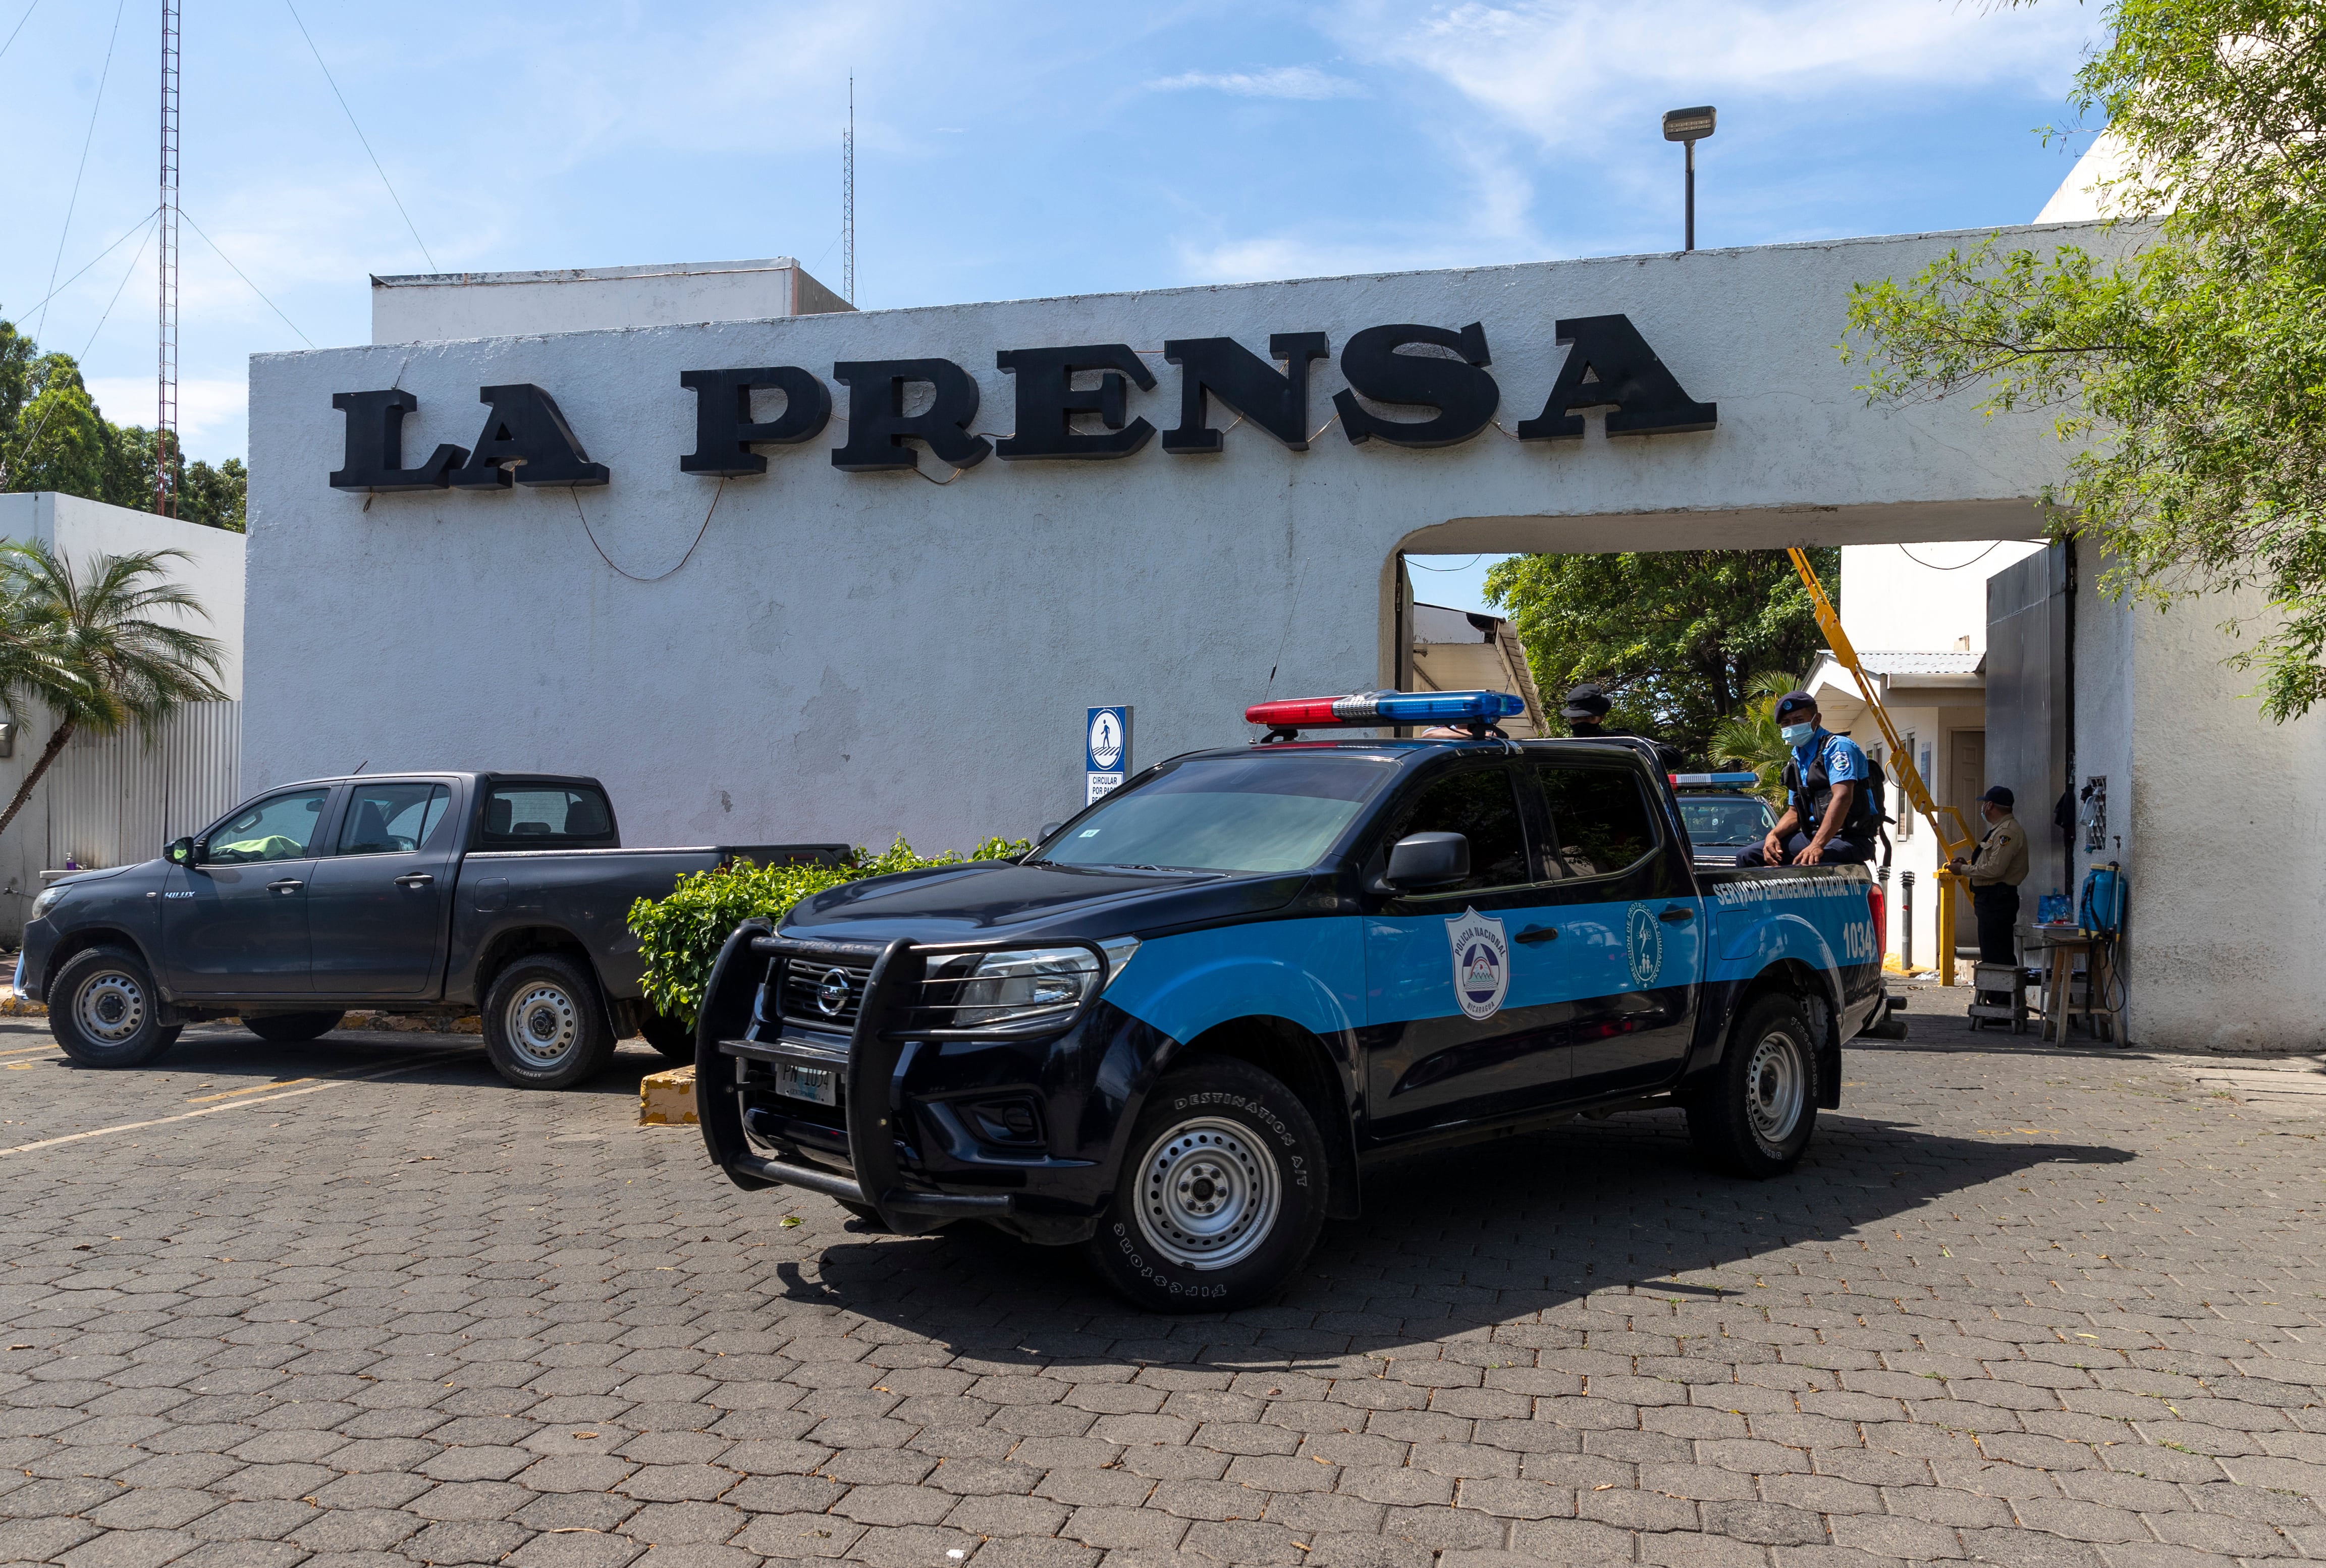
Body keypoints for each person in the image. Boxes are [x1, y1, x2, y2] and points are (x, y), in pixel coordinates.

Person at [1736, 691, 1875, 866]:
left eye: (1799, 720)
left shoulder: (1838, 748)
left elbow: (1843, 797)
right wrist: (1773, 835)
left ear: (1817, 720)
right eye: (1786, 723)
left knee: (1808, 862)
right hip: (1810, 836)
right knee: (1748, 856)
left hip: (1849, 837)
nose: (1792, 726)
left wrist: (1817, 845)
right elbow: (1794, 813)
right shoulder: (1797, 758)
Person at [1951, 785, 2029, 964]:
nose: (1983, 808)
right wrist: (1969, 865)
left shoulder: (2007, 832)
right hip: (1991, 901)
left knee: (1997, 956)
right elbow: (1991, 863)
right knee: (1992, 954)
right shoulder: (1999, 829)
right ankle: (1995, 993)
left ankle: (1999, 993)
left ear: (1990, 806)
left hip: (1997, 901)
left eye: (1984, 804)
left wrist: (1963, 870)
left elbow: (1995, 869)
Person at [1560, 682, 1683, 768]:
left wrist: (1638, 753)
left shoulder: (1624, 740)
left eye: (1588, 718)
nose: (1582, 724)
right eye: (1576, 719)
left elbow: (1674, 756)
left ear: (1601, 718)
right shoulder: (1559, 749)